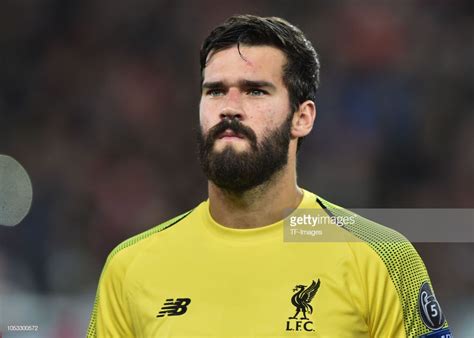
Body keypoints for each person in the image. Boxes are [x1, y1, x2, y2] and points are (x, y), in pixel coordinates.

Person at [87, 15, 451, 337]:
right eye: (214, 91)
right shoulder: (130, 267)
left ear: (302, 117)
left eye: (255, 91)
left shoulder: (380, 257)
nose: (229, 107)